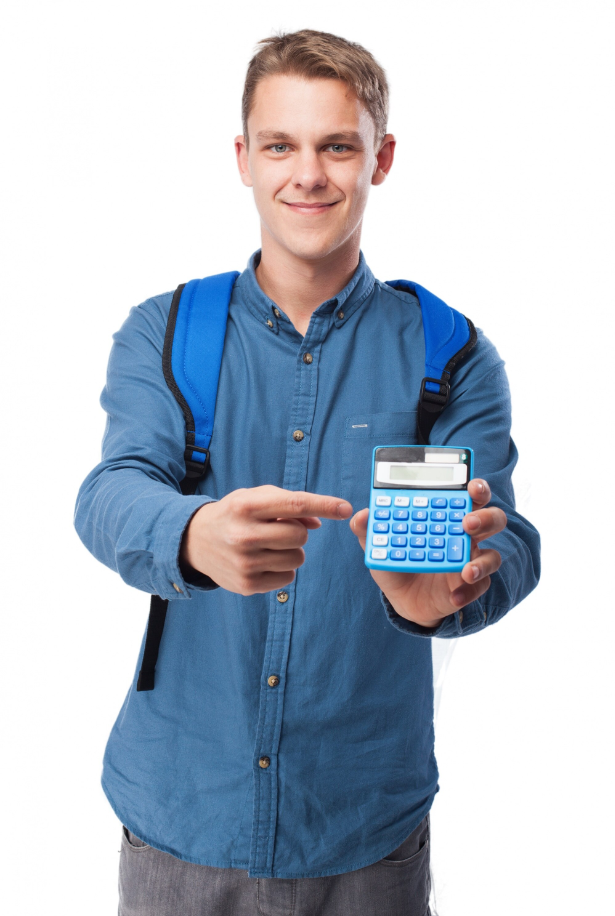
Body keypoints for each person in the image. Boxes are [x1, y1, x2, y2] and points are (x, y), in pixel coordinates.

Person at [75, 28, 541, 916]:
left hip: (363, 828)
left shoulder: (452, 353)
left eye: (337, 145)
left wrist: (461, 588)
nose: (309, 175)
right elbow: (110, 488)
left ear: (381, 157)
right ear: (243, 158)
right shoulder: (164, 329)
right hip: (181, 814)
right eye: (281, 145)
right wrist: (188, 532)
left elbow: (509, 535)